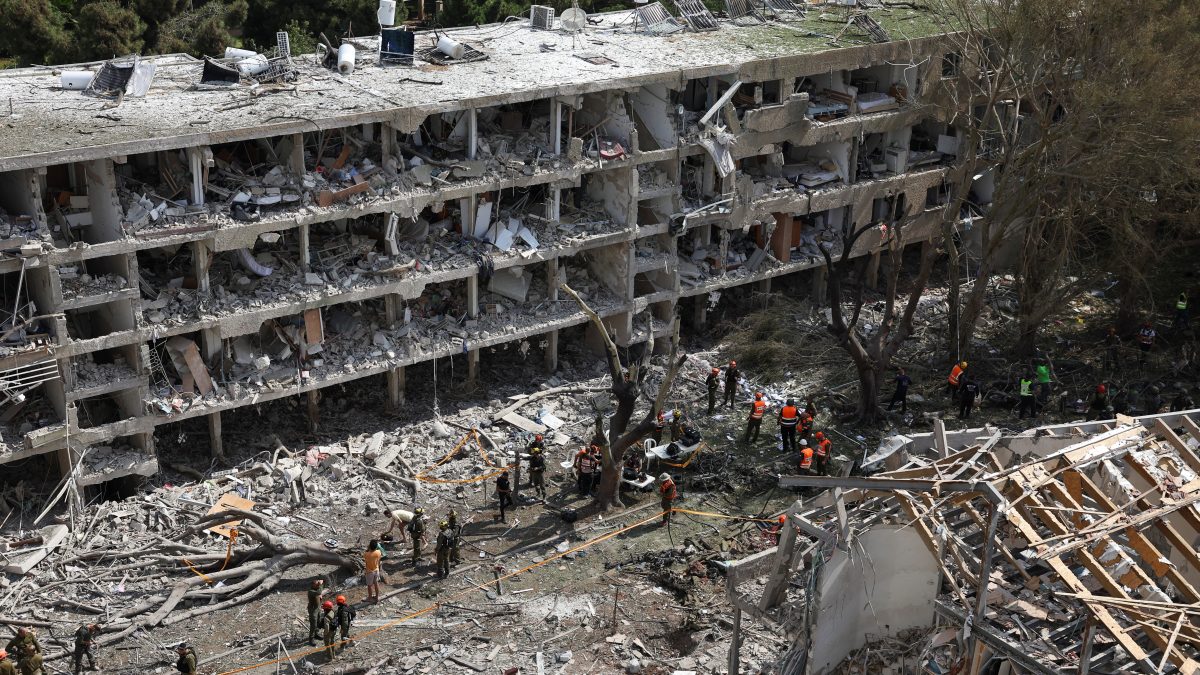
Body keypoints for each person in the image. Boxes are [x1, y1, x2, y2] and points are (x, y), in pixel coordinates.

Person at [306, 579, 326, 645]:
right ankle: (311, 639)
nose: (318, 585)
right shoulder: (311, 591)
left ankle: (316, 634)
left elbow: (319, 593)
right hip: (313, 610)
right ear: (313, 585)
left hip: (317, 608)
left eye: (318, 584)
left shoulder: (316, 590)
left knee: (318, 621)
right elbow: (319, 592)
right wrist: (320, 584)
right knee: (313, 624)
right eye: (316, 584)